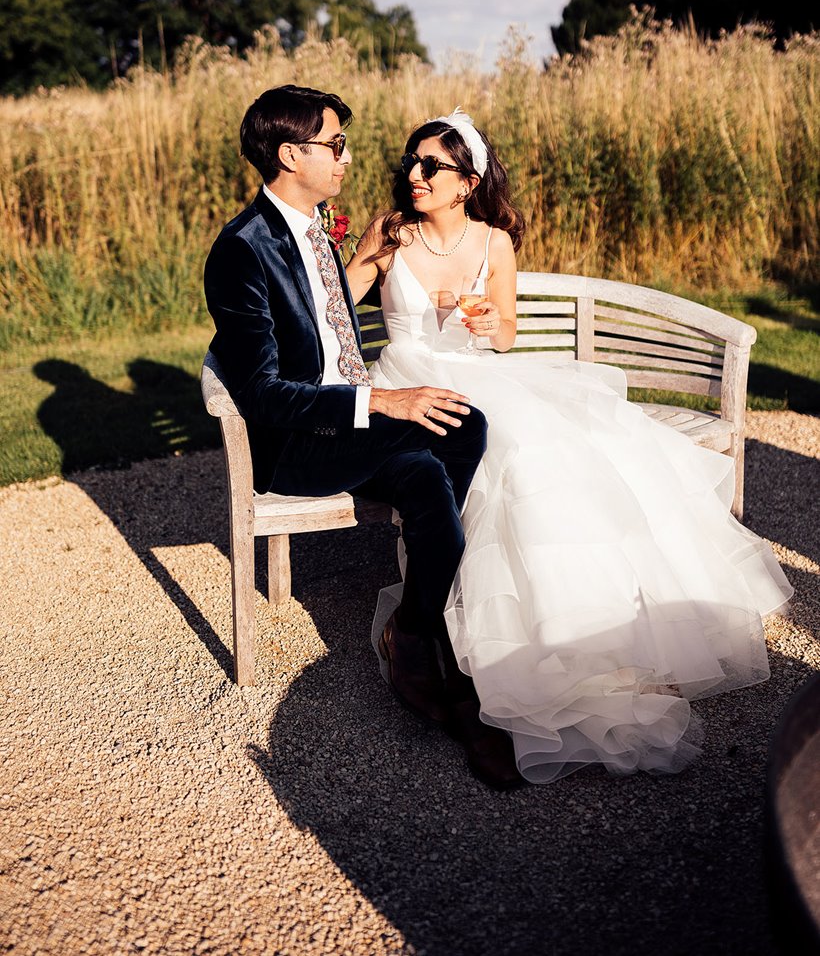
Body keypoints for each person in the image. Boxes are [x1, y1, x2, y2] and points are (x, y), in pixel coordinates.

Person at [345, 107, 794, 782]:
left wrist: (489, 320)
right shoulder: (391, 231)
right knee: (498, 463)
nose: (414, 174)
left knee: (552, 455)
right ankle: (472, 672)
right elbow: (338, 306)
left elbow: (504, 337)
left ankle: (549, 657)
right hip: (408, 379)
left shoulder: (495, 243)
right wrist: (366, 260)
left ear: (467, 181)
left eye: (431, 165)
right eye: (409, 161)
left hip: (482, 377)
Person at [204, 85, 524, 790]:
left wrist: (366, 262)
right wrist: (381, 399)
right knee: (453, 428)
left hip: (348, 415)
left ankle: (419, 630)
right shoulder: (244, 250)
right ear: (293, 154)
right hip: (302, 440)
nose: (349, 156)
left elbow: (330, 328)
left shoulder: (318, 227)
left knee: (437, 463)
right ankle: (438, 648)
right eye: (336, 144)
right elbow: (260, 392)